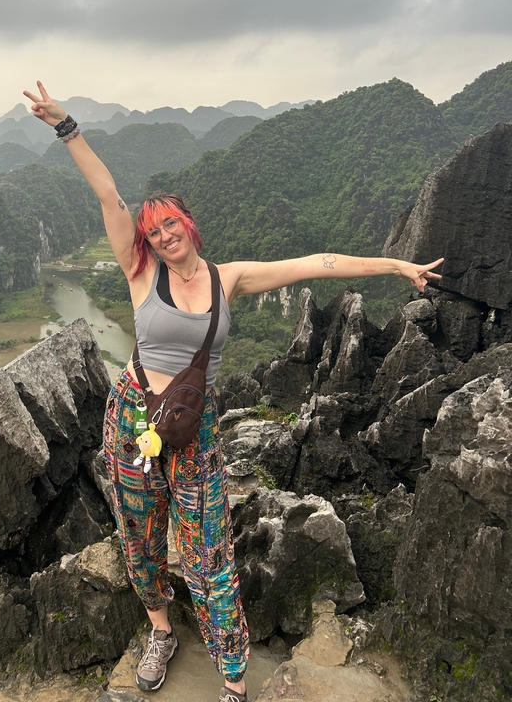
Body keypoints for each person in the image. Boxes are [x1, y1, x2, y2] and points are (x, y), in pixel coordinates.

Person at [23, 82, 443, 702]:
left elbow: (314, 262)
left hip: (195, 430)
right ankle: (161, 629)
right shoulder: (140, 273)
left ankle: (233, 676)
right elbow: (108, 194)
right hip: (135, 420)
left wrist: (395, 266)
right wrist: (67, 127)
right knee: (139, 536)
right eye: (155, 229)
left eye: (172, 224)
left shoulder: (230, 279)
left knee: (208, 551)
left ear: (189, 223)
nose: (165, 235)